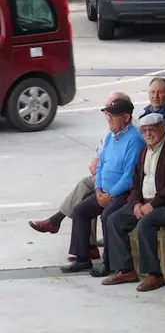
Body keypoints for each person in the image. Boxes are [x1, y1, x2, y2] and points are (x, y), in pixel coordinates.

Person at [29, 91, 131, 261]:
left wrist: (105, 189)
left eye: (110, 111)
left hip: (117, 187)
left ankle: (59, 223)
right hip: (103, 179)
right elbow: (101, 153)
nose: (107, 114)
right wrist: (98, 176)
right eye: (106, 111)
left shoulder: (128, 131)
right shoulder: (112, 129)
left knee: (85, 189)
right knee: (86, 195)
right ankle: (85, 247)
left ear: (123, 113)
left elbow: (128, 173)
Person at [102, 113, 165, 292]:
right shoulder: (145, 150)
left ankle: (154, 274)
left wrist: (152, 205)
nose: (148, 133)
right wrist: (136, 203)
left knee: (146, 222)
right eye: (144, 130)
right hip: (145, 201)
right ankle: (126, 269)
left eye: (152, 129)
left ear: (162, 127)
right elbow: (135, 182)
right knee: (114, 219)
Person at [61, 98, 145, 276]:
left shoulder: (135, 140)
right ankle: (82, 258)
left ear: (126, 118)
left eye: (113, 116)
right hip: (104, 191)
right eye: (108, 115)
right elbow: (100, 165)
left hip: (122, 193)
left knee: (107, 215)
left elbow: (129, 176)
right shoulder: (109, 136)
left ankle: (108, 263)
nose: (109, 119)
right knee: (80, 210)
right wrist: (98, 189)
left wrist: (111, 195)